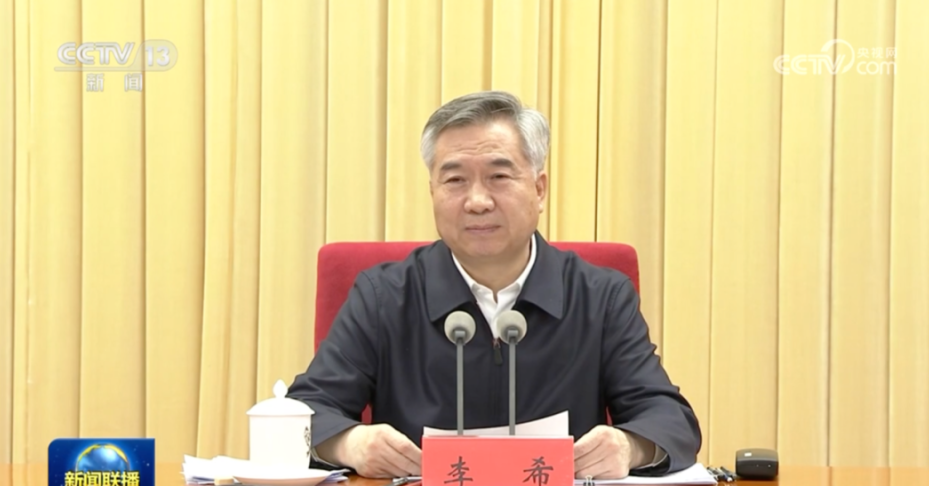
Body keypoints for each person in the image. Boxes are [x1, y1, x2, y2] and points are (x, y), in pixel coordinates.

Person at [286, 90, 701, 479]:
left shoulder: (599, 296)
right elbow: (304, 412)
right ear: (432, 191)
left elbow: (670, 420)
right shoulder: (384, 296)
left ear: (539, 189)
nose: (477, 201)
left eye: (499, 177)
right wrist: (351, 443)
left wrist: (630, 447)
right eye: (455, 181)